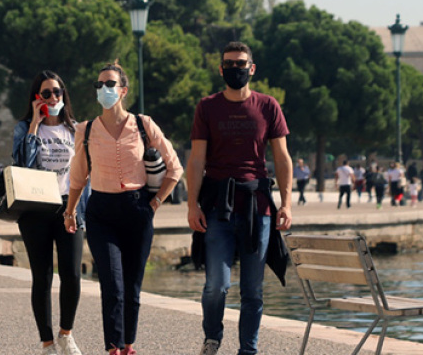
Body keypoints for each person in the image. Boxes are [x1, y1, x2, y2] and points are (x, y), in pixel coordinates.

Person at [66, 62, 182, 355]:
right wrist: (70, 211)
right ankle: (114, 349)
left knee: (132, 287)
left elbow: (174, 168)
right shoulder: (86, 129)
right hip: (101, 212)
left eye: (110, 84)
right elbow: (78, 176)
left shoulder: (143, 124)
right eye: (99, 85)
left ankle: (129, 345)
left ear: (123, 90)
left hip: (137, 209)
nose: (104, 89)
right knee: (112, 284)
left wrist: (154, 203)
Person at [188, 42, 293, 355]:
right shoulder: (207, 107)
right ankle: (212, 338)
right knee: (215, 286)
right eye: (229, 64)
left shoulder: (268, 106)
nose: (236, 69)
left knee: (253, 291)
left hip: (257, 209)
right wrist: (192, 204)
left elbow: (283, 157)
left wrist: (286, 204)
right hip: (217, 208)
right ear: (221, 69)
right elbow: (196, 160)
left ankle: (248, 349)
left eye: (241, 63)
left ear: (252, 68)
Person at [12, 71, 85, 355]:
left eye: (57, 92)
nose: (53, 97)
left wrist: (80, 208)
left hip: (69, 207)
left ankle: (66, 333)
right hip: (35, 208)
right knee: (42, 277)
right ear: (36, 98)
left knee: (72, 275)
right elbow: (21, 164)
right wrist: (34, 125)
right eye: (46, 93)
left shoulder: (76, 129)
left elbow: (85, 170)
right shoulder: (24, 128)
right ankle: (47, 343)